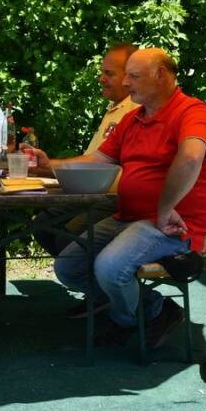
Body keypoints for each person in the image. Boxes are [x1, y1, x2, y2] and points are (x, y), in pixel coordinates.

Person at [24, 48, 206, 348]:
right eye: (125, 75)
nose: (126, 83)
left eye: (134, 76)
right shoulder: (133, 119)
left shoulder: (192, 112)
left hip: (172, 225)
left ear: (161, 75)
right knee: (69, 267)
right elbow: (97, 160)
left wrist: (165, 208)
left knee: (109, 267)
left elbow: (192, 157)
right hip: (129, 216)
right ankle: (152, 310)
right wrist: (49, 165)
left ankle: (128, 318)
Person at [34, 43, 140, 263]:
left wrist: (49, 167)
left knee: (68, 240)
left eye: (109, 73)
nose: (101, 79)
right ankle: (83, 275)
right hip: (90, 192)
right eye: (102, 72)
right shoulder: (116, 108)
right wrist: (47, 166)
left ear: (129, 76)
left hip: (113, 198)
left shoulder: (135, 110)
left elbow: (101, 165)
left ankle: (89, 277)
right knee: (42, 226)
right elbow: (95, 159)